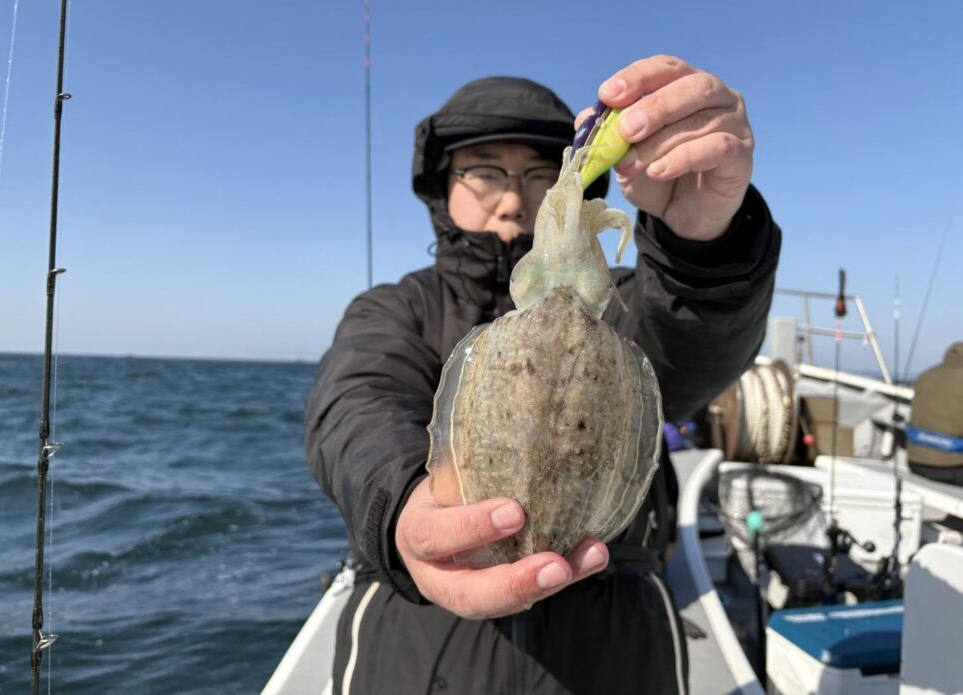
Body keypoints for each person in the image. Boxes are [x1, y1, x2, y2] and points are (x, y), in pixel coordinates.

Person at [306, 55, 781, 694]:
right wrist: (404, 507)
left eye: (537, 173)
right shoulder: (396, 308)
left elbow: (687, 355)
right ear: (444, 185)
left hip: (613, 636)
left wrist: (703, 249)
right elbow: (355, 402)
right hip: (420, 636)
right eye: (484, 172)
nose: (513, 198)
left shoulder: (622, 305)